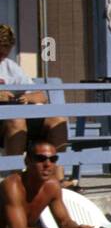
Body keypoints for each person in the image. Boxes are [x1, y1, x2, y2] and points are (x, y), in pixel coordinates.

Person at [0, 25, 69, 158]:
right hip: (8, 120)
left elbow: (41, 96)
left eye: (6, 49)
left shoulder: (9, 66)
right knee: (17, 120)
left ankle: (57, 174)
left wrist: (28, 97)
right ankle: (15, 175)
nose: (3, 54)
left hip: (18, 117)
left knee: (57, 120)